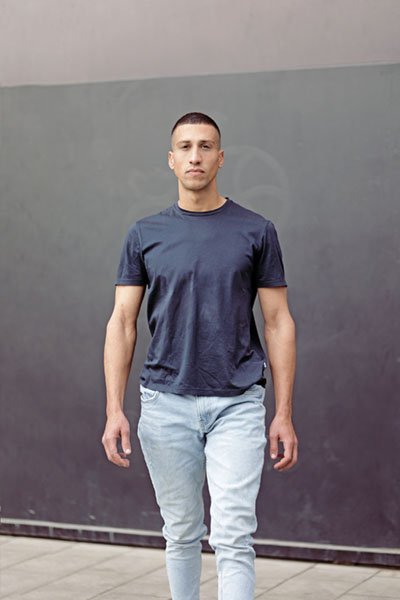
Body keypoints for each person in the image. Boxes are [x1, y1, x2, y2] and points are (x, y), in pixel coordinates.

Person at [101, 112, 298, 600]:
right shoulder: (145, 234)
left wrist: (284, 413)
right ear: (171, 160)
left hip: (238, 402)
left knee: (233, 535)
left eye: (205, 146)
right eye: (186, 147)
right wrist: (114, 409)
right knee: (182, 532)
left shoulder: (256, 230)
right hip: (165, 404)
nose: (195, 156)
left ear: (220, 158)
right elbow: (122, 322)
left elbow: (278, 322)